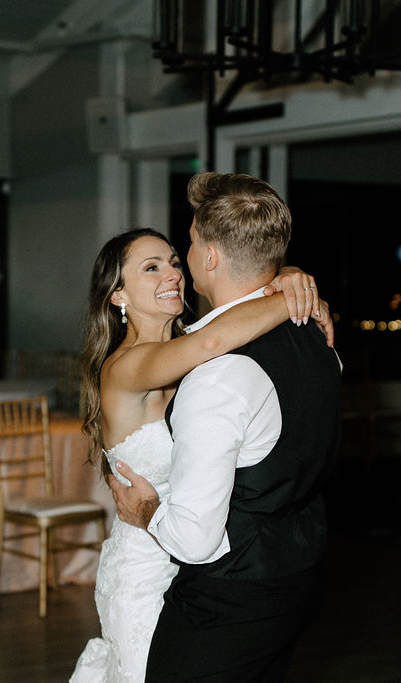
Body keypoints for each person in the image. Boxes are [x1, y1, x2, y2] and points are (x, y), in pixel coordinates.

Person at [70, 225, 333, 682]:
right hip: (148, 565)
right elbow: (213, 341)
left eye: (173, 260)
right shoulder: (127, 366)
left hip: (208, 558)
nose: (171, 272)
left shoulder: (196, 342)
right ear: (117, 296)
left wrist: (290, 276)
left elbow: (220, 332)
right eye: (150, 267)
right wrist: (294, 294)